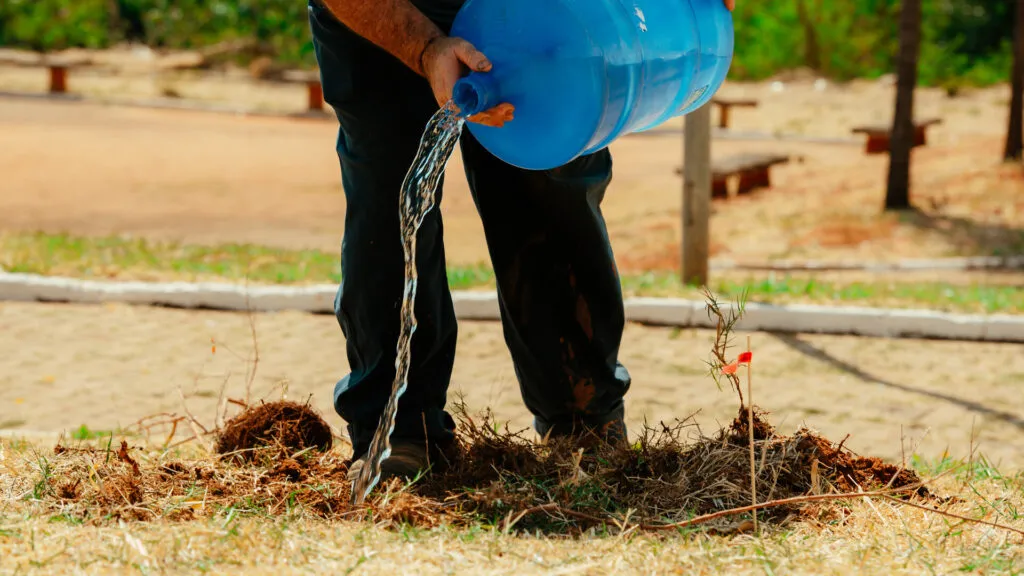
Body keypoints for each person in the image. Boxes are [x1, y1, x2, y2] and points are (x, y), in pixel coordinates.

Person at [307, 0, 735, 479]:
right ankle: (398, 433)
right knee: (392, 199)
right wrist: (426, 47)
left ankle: (583, 423)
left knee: (549, 179)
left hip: (542, 18)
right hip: (387, 12)